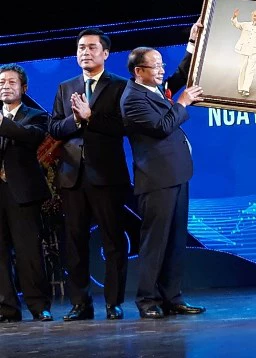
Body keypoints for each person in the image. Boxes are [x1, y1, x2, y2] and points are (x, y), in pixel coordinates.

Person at [120, 20, 208, 318]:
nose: (161, 70)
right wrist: (183, 102)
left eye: (160, 64)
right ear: (138, 71)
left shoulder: (155, 89)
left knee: (174, 242)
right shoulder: (132, 98)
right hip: (156, 181)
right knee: (155, 244)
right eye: (155, 66)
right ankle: (147, 301)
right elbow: (161, 126)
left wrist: (193, 43)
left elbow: (180, 75)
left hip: (177, 175)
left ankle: (173, 297)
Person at [49, 28, 130, 321]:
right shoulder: (65, 87)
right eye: (81, 47)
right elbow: (55, 129)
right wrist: (75, 119)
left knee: (113, 241)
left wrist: (91, 117)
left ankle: (113, 302)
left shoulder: (121, 86)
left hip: (107, 175)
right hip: (72, 177)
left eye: (92, 47)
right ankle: (80, 303)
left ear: (105, 53)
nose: (85, 52)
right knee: (75, 243)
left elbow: (123, 126)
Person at [0, 64, 53, 322]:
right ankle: (7, 307)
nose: (5, 86)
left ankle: (38, 306)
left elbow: (31, 137)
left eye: (11, 82)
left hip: (22, 192)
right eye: (1, 82)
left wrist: (2, 123)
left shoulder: (35, 115)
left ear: (23, 88)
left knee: (28, 251)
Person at [231, 8, 256, 97]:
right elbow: (236, 25)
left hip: (255, 51)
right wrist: (234, 17)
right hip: (244, 50)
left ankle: (246, 89)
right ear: (252, 16)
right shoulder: (245, 25)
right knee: (243, 69)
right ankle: (240, 87)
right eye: (254, 15)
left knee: (250, 70)